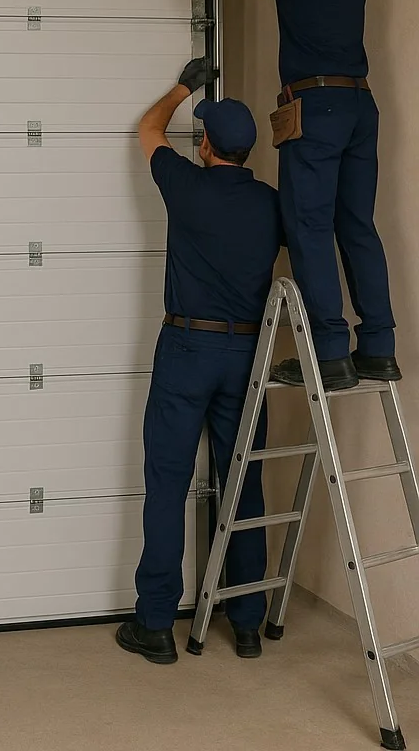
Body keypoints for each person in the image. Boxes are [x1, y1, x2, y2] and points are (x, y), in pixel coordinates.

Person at [196, 0, 399, 393]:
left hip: (315, 110)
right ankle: (378, 348)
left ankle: (330, 355)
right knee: (356, 225)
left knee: (308, 227)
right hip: (360, 107)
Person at [116, 60, 282, 666]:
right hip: (246, 355)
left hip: (187, 348)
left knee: (168, 482)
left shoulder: (185, 185)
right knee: (244, 483)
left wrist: (185, 86)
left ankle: (156, 624)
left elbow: (147, 130)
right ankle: (245, 622)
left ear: (208, 144)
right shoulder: (271, 203)